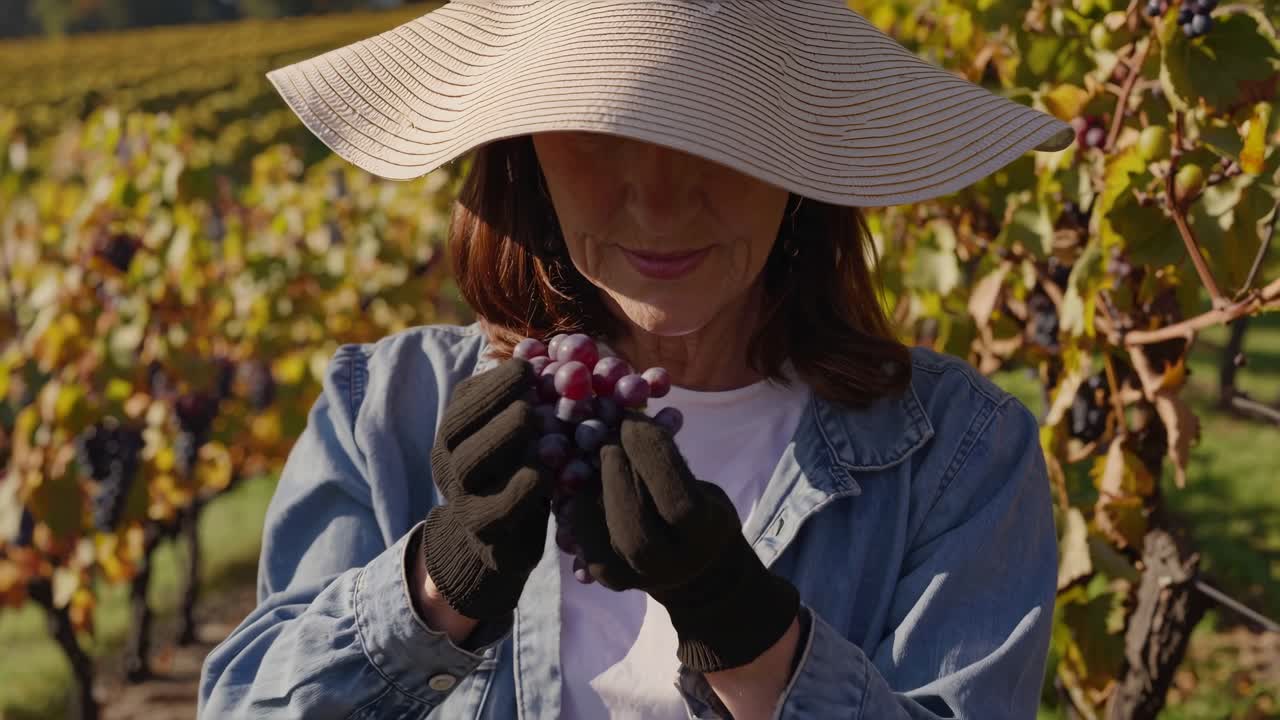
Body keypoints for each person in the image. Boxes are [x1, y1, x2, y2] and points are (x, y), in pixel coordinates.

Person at [198, 1, 1075, 718]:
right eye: (600, 126)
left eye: (718, 129)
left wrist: (749, 636)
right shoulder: (382, 411)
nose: (658, 203)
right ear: (527, 147)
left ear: (801, 154)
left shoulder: (959, 456)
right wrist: (435, 587)